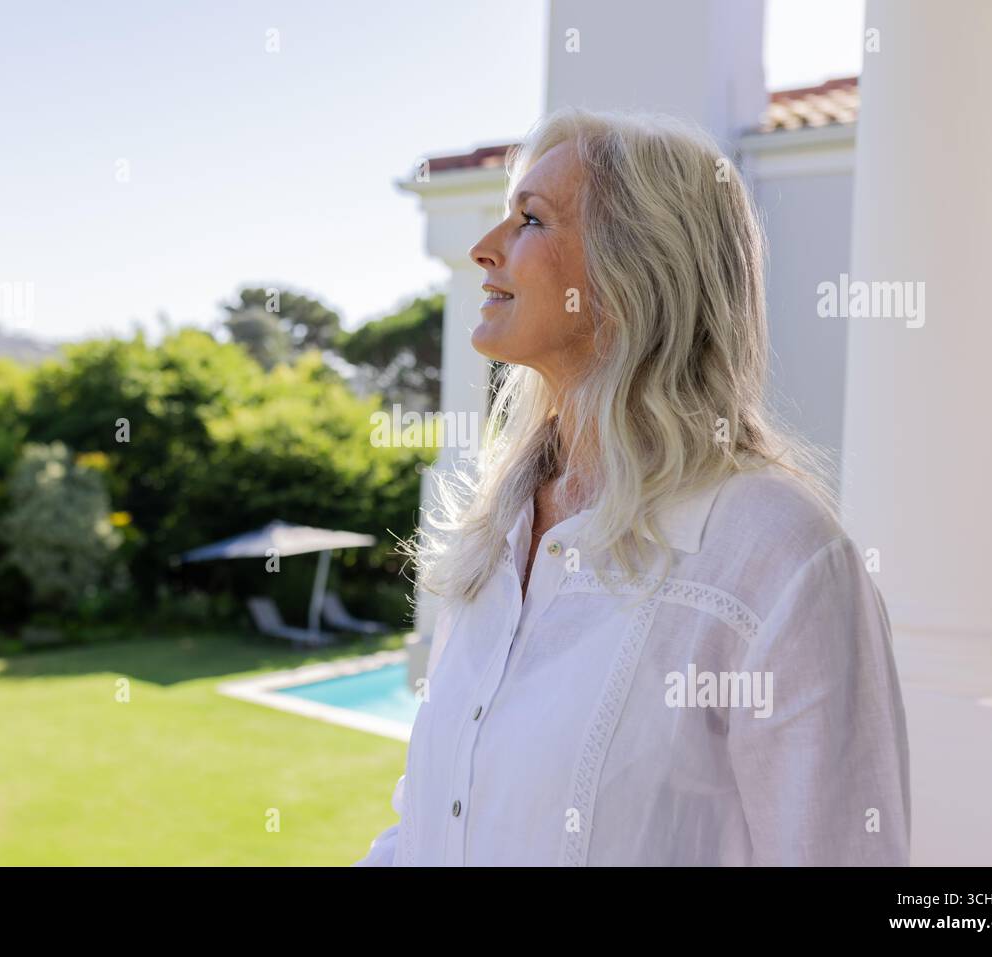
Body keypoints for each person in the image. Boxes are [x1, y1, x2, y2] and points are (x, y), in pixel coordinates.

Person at [354, 106, 910, 866]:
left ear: (632, 273)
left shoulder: (781, 558)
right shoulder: (494, 532)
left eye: (531, 220)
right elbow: (425, 831)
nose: (485, 250)